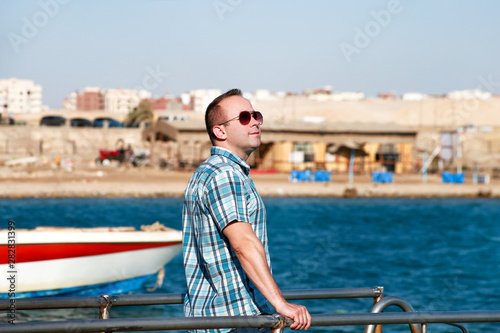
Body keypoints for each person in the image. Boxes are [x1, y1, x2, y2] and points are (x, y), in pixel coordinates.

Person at [182, 89, 311, 333]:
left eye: (255, 115)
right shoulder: (224, 175)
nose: (254, 122)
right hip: (235, 319)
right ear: (220, 131)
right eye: (243, 117)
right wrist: (280, 304)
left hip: (217, 319)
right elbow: (243, 243)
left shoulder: (212, 171)